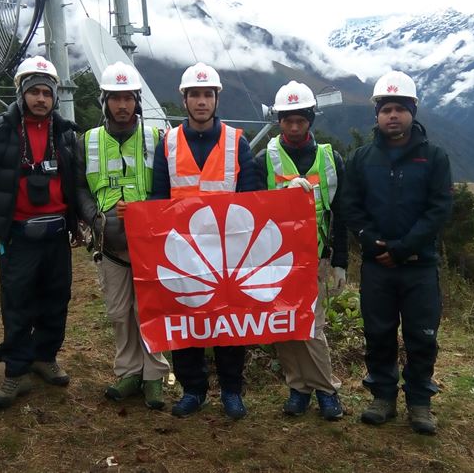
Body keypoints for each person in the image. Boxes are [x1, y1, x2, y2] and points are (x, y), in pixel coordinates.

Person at [0, 55, 81, 409]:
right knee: (17, 302)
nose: (41, 98)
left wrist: (76, 221)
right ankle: (15, 370)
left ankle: (45, 357)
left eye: (47, 92)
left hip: (56, 235)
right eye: (34, 91)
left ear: (54, 96)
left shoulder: (65, 133)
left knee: (56, 298)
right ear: (21, 92)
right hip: (18, 236)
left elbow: (75, 181)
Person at [341, 70, 453, 434]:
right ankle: (383, 397)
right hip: (377, 266)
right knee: (378, 333)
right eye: (386, 109)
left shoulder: (434, 157)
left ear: (412, 112)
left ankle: (419, 402)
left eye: (400, 109)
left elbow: (439, 209)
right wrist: (370, 239)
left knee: (422, 335)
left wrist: (404, 248)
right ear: (376, 114)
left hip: (419, 266)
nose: (393, 116)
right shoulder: (361, 159)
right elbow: (350, 205)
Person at [150, 62, 259, 419]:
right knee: (186, 321)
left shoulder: (237, 143)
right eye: (195, 95)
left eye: (207, 94)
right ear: (184, 99)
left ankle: (231, 391)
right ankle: (193, 390)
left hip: (228, 253)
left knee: (229, 324)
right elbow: (158, 200)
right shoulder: (168, 144)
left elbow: (251, 200)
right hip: (184, 253)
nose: (201, 101)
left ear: (216, 99)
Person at [75, 61, 171, 410]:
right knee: (119, 312)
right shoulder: (88, 141)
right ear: (104, 101)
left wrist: (149, 214)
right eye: (115, 98)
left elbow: (166, 185)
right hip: (110, 244)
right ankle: (129, 372)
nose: (122, 105)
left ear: (137, 101)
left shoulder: (156, 139)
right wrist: (94, 218)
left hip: (149, 243)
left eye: (128, 98)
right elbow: (79, 187)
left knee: (149, 309)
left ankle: (154, 375)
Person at [255, 80, 348, 421]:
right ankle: (298, 388)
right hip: (275, 259)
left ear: (310, 119)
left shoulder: (330, 159)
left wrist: (340, 262)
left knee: (312, 327)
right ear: (279, 120)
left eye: (300, 120)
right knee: (284, 324)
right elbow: (251, 211)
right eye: (288, 120)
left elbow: (341, 213)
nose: (294, 127)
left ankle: (326, 389)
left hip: (315, 257)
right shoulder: (265, 160)